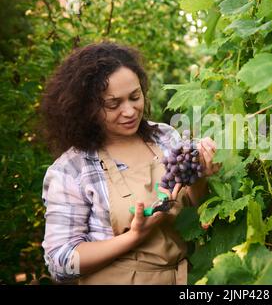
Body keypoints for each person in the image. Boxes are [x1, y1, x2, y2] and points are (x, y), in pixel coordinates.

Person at [40, 42, 220, 284]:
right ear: (86, 108)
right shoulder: (71, 169)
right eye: (113, 104)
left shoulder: (165, 137)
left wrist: (200, 176)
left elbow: (197, 212)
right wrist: (134, 237)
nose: (130, 111)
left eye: (135, 97)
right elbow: (60, 263)